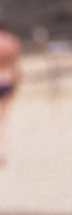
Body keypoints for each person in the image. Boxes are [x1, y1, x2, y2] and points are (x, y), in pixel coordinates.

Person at [0, 21, 21, 165]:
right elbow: (15, 67)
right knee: (2, 118)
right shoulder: (11, 41)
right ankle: (2, 152)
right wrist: (16, 84)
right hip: (6, 80)